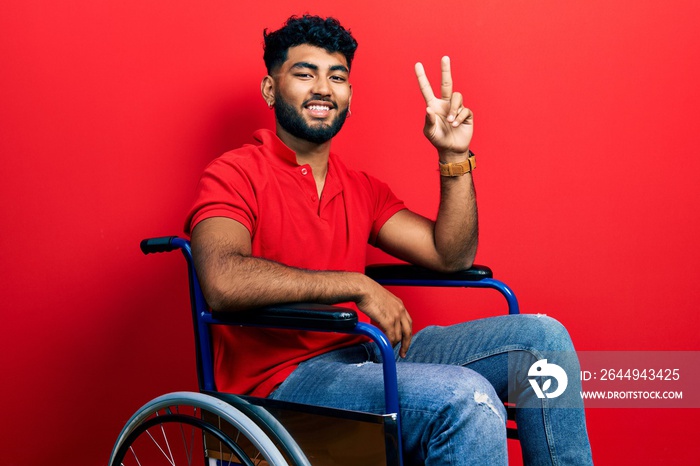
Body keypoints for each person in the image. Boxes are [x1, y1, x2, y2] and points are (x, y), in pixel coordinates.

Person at [185, 14, 593, 465]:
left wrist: (453, 156)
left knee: (543, 344)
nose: (323, 88)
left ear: (349, 97)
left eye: (336, 77)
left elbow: (450, 255)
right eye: (305, 73)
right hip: (285, 380)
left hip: (366, 354)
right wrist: (356, 284)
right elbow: (222, 280)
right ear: (269, 89)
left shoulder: (360, 187)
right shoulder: (234, 173)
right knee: (466, 398)